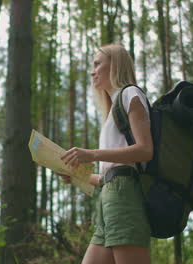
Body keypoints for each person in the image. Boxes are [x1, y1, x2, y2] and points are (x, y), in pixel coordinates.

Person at [59, 44, 153, 264]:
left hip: (125, 197)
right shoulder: (111, 113)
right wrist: (75, 177)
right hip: (108, 199)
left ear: (116, 64)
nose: (92, 71)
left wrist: (92, 154)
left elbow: (145, 150)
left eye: (97, 63)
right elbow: (109, 176)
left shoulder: (130, 94)